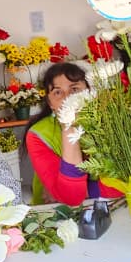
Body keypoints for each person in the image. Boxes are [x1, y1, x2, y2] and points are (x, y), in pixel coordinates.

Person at [25, 62, 124, 206]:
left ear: (90, 93)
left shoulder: (111, 124)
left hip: (115, 206)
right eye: (58, 92)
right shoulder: (38, 135)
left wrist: (86, 191)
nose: (68, 98)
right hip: (56, 214)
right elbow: (72, 197)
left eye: (75, 89)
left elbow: (125, 183)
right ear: (50, 103)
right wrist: (69, 125)